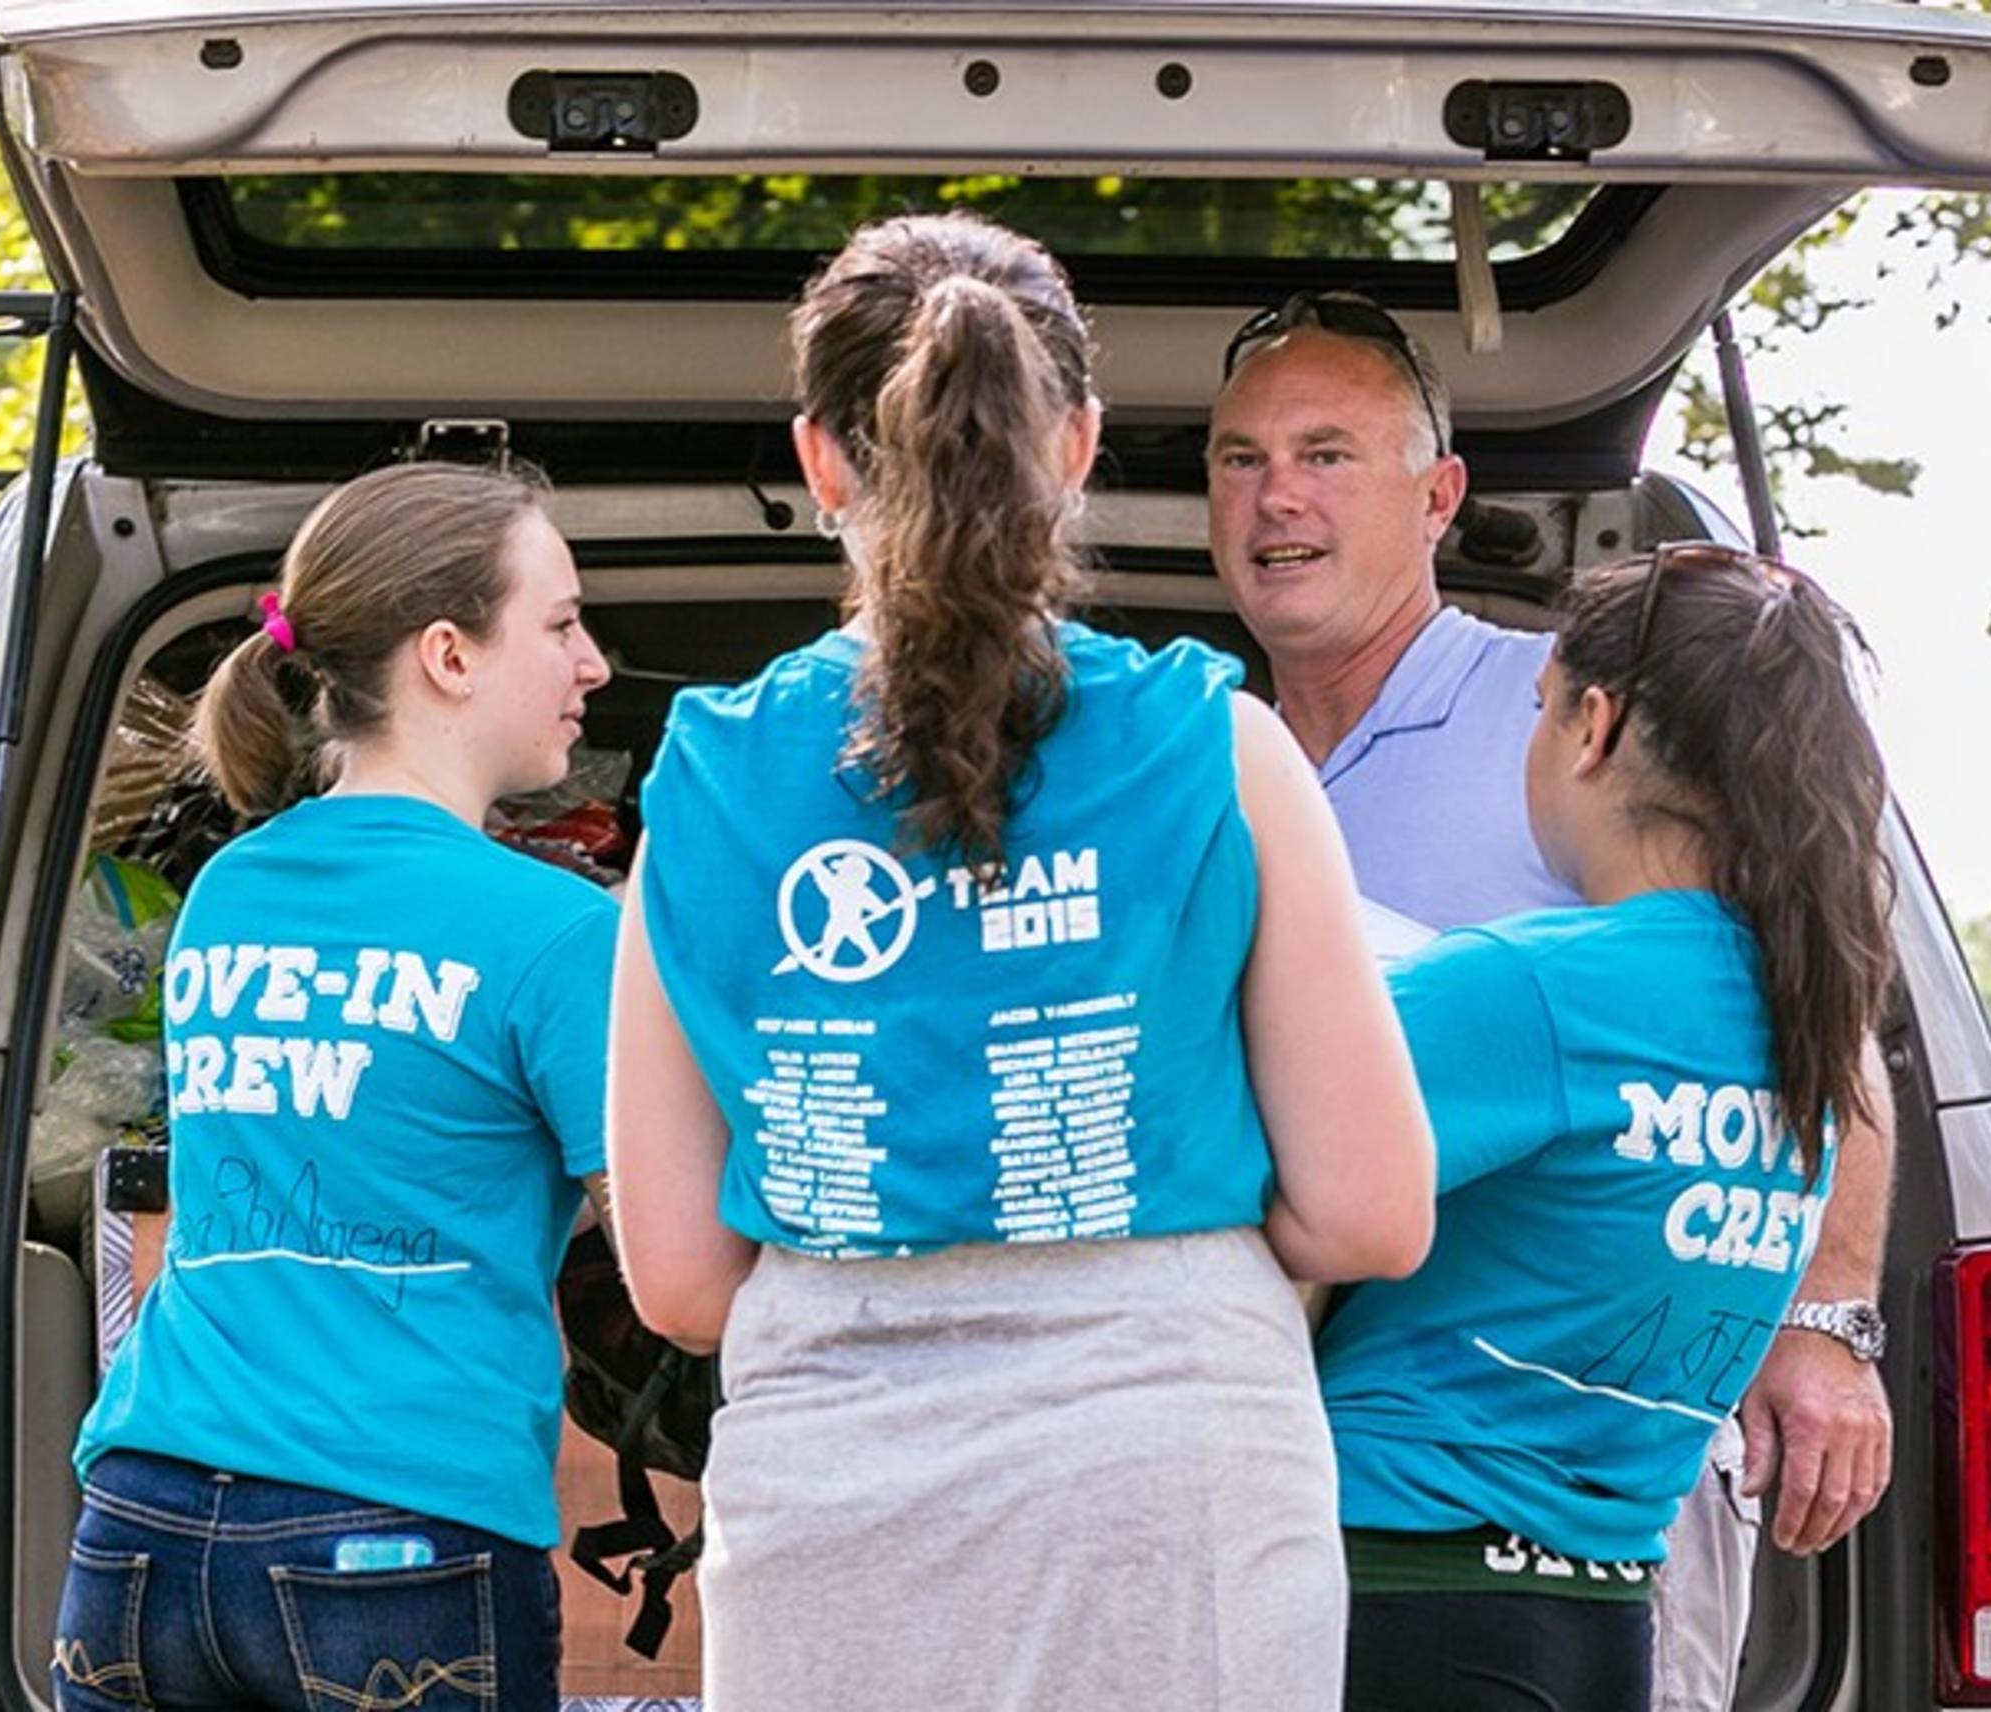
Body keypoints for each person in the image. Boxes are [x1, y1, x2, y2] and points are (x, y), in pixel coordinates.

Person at [605, 213, 1436, 1712]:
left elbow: (674, 1280)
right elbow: (1372, 1215)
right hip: (1171, 1486)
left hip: (827, 1499)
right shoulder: (1223, 752)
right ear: (1079, 449)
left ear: (819, 459)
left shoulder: (705, 787)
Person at [1206, 294, 1897, 1709]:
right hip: (1486, 1534)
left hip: (1493, 1510)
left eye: (1328, 451)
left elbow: (1835, 1030)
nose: (1277, 493)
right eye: (1237, 457)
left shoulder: (1578, 713)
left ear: (1439, 495)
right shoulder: (1195, 753)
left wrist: (1819, 1325)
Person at [54, 461, 616, 1712]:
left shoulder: (230, 890)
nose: (594, 666)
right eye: (563, 623)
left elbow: (377, 1135)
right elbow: (666, 1247)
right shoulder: (560, 929)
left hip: (140, 1522)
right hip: (394, 1540)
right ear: (448, 657)